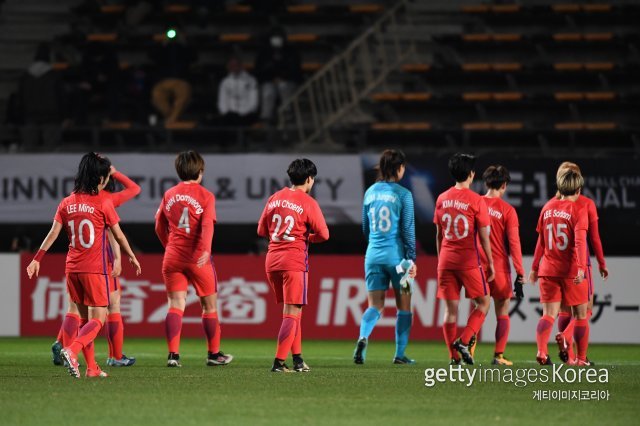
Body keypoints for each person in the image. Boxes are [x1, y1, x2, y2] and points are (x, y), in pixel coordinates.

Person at [27, 153, 142, 379]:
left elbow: (52, 234)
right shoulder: (103, 202)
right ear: (100, 179)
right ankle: (71, 350)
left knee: (83, 320)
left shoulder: (66, 202)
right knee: (98, 320)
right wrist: (131, 256)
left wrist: (36, 258)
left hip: (72, 269)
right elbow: (118, 236)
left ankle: (92, 368)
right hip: (95, 269)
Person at [155, 151, 233, 367]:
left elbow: (158, 224)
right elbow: (207, 225)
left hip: (172, 257)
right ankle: (214, 354)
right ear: (200, 171)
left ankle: (173, 356)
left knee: (175, 305)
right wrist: (206, 250)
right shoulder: (206, 195)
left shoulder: (169, 194)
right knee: (209, 307)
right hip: (198, 257)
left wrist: (168, 245)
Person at [257, 158, 329, 372]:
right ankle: (279, 362)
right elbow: (324, 234)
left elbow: (261, 230)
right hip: (294, 261)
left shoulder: (274, 198)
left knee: (292, 311)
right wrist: (306, 238)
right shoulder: (308, 202)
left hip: (272, 262)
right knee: (292, 312)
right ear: (309, 179)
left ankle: (297, 360)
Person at [353, 149, 417, 365]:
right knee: (404, 306)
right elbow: (408, 230)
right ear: (399, 168)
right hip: (400, 261)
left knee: (375, 305)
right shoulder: (403, 194)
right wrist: (412, 259)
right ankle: (399, 354)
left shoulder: (370, 192)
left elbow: (364, 227)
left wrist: (375, 244)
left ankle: (363, 338)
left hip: (373, 256)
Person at [433, 153, 494, 365]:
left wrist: (441, 261)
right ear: (471, 174)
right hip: (468, 261)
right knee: (484, 303)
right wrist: (491, 263)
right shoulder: (476, 200)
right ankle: (464, 340)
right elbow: (484, 238)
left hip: (446, 261)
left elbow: (439, 234)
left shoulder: (441, 198)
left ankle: (453, 358)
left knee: (450, 311)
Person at [529, 169, 590, 366]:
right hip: (570, 271)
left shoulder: (547, 207)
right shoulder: (578, 210)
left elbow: (541, 241)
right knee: (581, 315)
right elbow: (580, 242)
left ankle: (541, 351)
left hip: (548, 269)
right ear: (578, 190)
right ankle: (580, 359)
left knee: (548, 314)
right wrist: (581, 268)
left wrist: (534, 267)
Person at [553, 162, 608, 364]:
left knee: (564, 310)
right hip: (579, 265)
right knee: (585, 311)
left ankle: (570, 358)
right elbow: (594, 238)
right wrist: (601, 263)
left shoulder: (551, 205)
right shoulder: (585, 204)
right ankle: (577, 352)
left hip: (556, 267)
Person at [479, 165, 525, 366]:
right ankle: (498, 355)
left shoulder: (475, 203)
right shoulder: (508, 210)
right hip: (499, 267)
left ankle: (467, 353)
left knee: (479, 310)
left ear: (486, 182)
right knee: (502, 312)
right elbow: (514, 244)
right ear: (504, 185)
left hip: (477, 267)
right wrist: (520, 271)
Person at [17, 43, 67, 150]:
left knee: (28, 152)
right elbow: (61, 97)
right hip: (51, 117)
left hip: (30, 116)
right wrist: (64, 116)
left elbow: (20, 99)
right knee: (51, 151)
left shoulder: (26, 76)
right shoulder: (54, 75)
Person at [254, 27, 302, 123]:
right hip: (269, 81)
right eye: (274, 37)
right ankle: (266, 116)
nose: (277, 39)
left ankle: (287, 113)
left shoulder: (291, 51)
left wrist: (282, 77)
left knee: (283, 87)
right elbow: (259, 70)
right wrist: (271, 77)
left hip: (287, 81)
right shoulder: (264, 52)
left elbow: (295, 69)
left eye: (279, 37)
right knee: (268, 91)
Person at [149, 28, 196, 125]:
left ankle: (170, 122)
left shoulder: (184, 48)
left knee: (182, 99)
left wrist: (184, 43)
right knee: (156, 97)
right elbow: (151, 56)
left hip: (181, 80)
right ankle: (172, 119)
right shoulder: (162, 47)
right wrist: (163, 43)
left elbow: (195, 57)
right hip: (162, 80)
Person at [217, 55, 258, 126]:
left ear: (241, 65)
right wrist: (226, 113)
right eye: (232, 65)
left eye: (236, 65)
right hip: (229, 116)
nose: (234, 67)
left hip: (247, 115)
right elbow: (222, 101)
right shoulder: (225, 82)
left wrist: (245, 112)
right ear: (228, 67)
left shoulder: (251, 80)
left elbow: (254, 102)